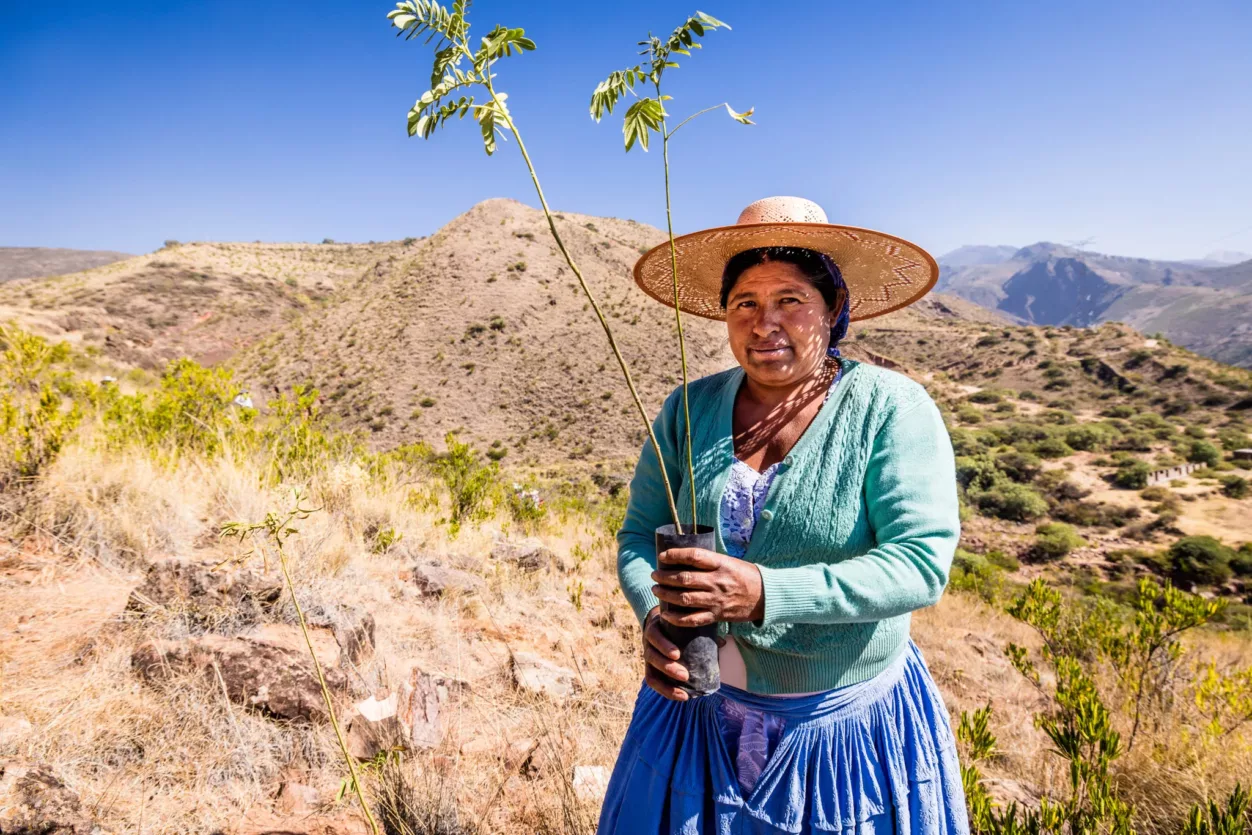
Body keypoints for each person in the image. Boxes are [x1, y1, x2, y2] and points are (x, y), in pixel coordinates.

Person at [599, 197, 968, 834]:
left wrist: (764, 592)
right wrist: (655, 614)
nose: (765, 323)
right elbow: (639, 534)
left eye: (792, 299)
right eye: (745, 302)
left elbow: (919, 564)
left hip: (840, 733)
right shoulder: (687, 409)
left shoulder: (890, 408)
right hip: (693, 714)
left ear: (834, 309)